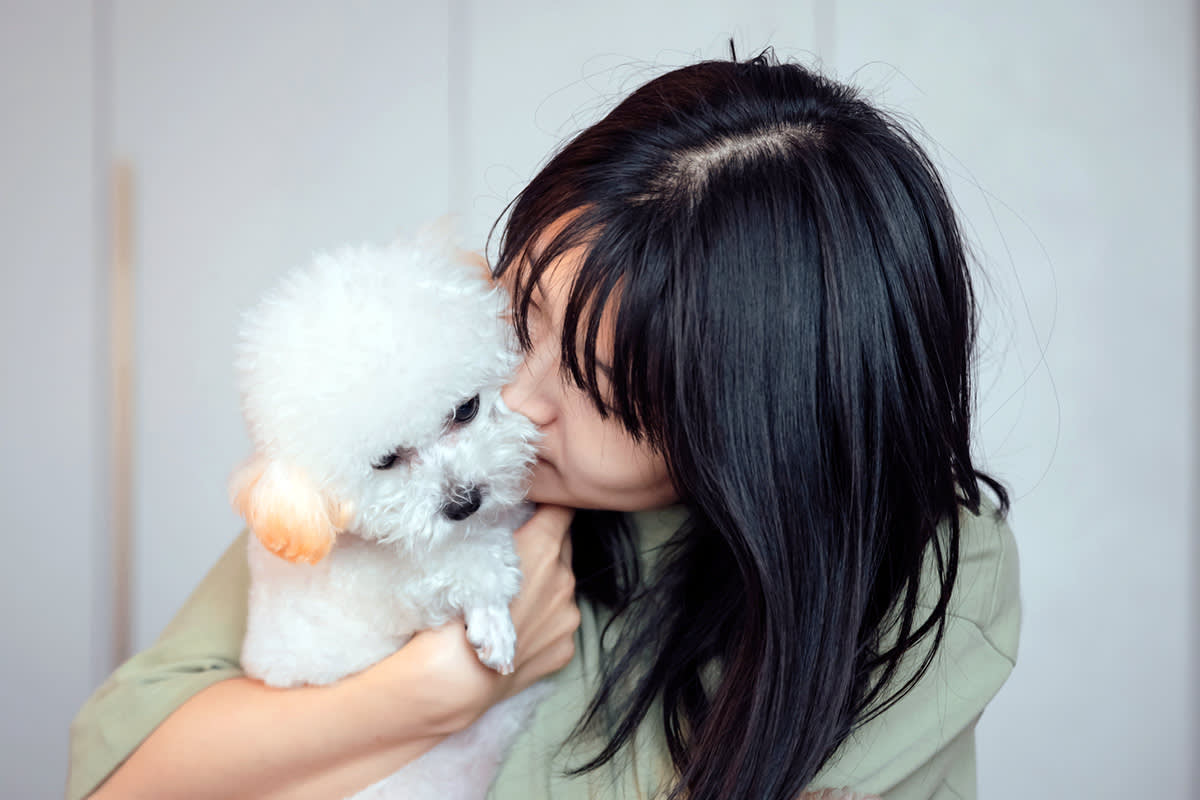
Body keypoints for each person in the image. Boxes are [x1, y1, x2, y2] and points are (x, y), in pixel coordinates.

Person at [68, 49, 1020, 800]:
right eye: (521, 316)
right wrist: (433, 692)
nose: (515, 401)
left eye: (597, 390)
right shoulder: (440, 450)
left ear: (756, 428)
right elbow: (121, 779)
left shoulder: (926, 574)